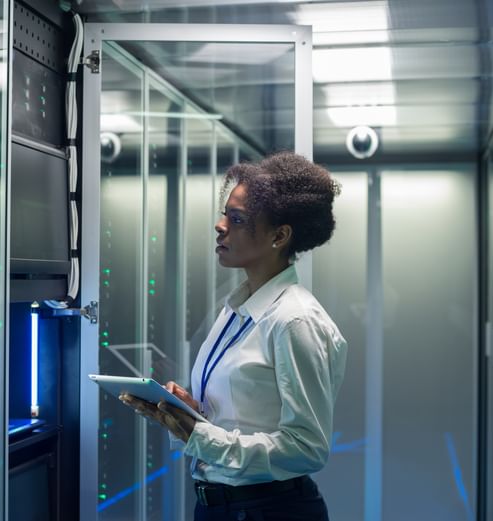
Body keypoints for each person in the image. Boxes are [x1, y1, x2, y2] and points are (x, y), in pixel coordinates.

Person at [121, 152, 347, 521]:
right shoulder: (237, 308)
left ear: (280, 235)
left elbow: (307, 448)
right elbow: (245, 416)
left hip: (270, 510)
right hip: (221, 507)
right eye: (225, 213)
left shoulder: (295, 320)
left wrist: (202, 437)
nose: (220, 225)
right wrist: (188, 414)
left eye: (237, 219)